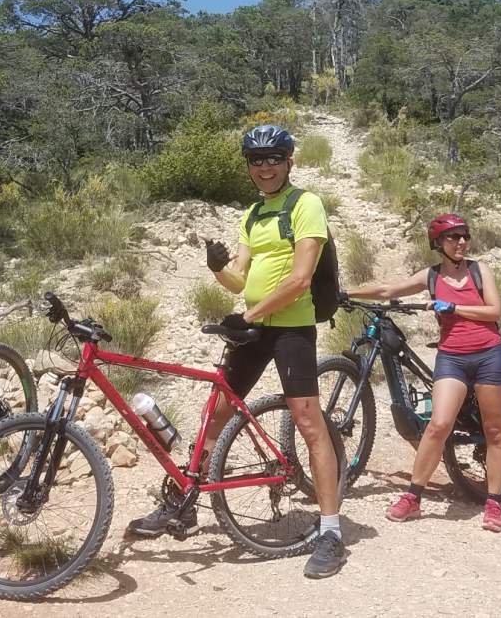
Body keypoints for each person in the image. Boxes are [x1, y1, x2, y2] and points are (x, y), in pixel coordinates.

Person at [126, 123, 347, 579]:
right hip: (255, 328)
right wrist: (217, 269)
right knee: (217, 413)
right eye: (256, 160)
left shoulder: (306, 204)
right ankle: (184, 502)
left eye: (273, 159)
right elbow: (240, 280)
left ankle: (331, 532)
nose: (265, 168)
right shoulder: (252, 214)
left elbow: (300, 279)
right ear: (248, 166)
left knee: (309, 423)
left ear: (288, 161)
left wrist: (249, 314)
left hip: (292, 329)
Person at [345, 213, 501, 533]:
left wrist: (454, 308)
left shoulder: (480, 271)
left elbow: (494, 311)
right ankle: (413, 497)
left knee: (495, 431)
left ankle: (494, 501)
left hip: (489, 355)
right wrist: (348, 293)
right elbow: (388, 289)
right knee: (438, 425)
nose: (461, 242)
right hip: (452, 357)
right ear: (438, 243)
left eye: (464, 236)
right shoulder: (432, 276)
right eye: (453, 237)